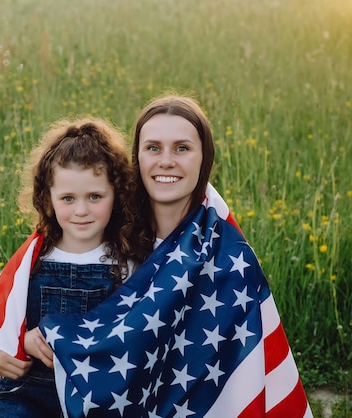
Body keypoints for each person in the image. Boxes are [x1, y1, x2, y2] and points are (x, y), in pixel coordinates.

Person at [39, 94, 313, 417]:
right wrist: (14, 336)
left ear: (203, 158)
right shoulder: (104, 220)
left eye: (182, 148)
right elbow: (38, 256)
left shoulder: (228, 257)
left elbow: (241, 376)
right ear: (137, 157)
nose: (166, 161)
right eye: (153, 147)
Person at [0, 117, 145, 418]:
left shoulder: (127, 263)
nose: (81, 210)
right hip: (28, 393)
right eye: (68, 198)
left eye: (95, 196)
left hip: (99, 395)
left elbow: (140, 330)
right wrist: (20, 342)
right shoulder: (33, 257)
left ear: (116, 194)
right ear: (48, 199)